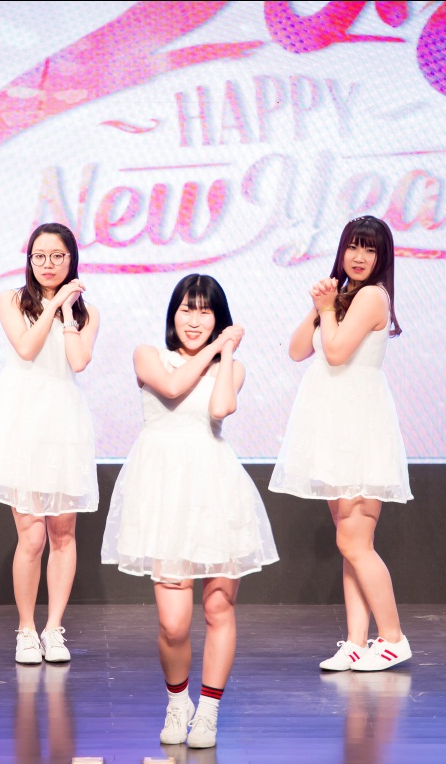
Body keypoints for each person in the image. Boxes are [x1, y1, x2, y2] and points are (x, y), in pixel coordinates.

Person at [101, 274, 278, 748]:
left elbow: (220, 409)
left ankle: (209, 711)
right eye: (186, 308)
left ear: (218, 317)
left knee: (219, 607)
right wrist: (217, 345)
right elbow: (174, 386)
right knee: (173, 623)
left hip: (216, 491)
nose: (194, 319)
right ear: (172, 314)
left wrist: (225, 354)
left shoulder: (231, 368)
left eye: (205, 310)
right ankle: (178, 703)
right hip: (164, 496)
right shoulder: (148, 355)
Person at [269, 215, 414, 672]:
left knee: (356, 541)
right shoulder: (344, 297)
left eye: (369, 249)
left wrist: (329, 309)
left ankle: (392, 638)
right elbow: (298, 350)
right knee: (349, 542)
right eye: (353, 246)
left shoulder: (372, 297)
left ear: (381, 258)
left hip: (358, 427)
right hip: (334, 426)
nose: (359, 256)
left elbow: (334, 353)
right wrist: (320, 306)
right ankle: (355, 641)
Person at [0, 223, 100, 665]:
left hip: (63, 421)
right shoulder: (11, 300)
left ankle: (53, 628)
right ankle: (26, 629)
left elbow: (78, 360)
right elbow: (26, 348)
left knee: (63, 532)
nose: (48, 264)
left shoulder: (86, 314)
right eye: (39, 256)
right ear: (29, 260)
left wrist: (67, 313)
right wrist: (52, 306)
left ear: (71, 260)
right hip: (21, 418)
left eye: (57, 256)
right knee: (32, 534)